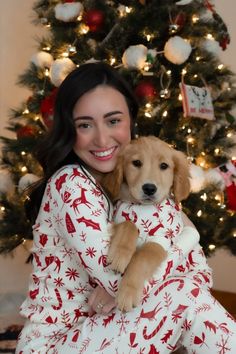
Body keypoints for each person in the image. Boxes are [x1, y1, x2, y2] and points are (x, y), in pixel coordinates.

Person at [16, 62, 236, 354]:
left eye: (113, 121)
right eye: (84, 125)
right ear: (70, 129)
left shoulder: (129, 188)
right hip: (55, 344)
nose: (102, 139)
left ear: (131, 119)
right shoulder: (71, 184)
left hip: (104, 330)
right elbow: (121, 280)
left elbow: (200, 274)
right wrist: (188, 236)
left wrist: (138, 278)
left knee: (186, 292)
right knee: (183, 295)